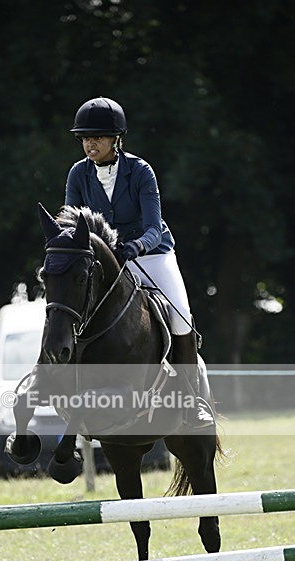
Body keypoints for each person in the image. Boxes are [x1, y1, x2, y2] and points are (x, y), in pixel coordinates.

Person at [65, 96, 214, 427]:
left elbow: (153, 227)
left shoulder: (140, 171)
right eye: (85, 138)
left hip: (152, 254)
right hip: (105, 262)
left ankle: (192, 401)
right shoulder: (78, 174)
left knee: (181, 317)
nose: (90, 143)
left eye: (98, 137)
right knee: (69, 311)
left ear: (116, 138)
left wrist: (135, 247)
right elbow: (73, 225)